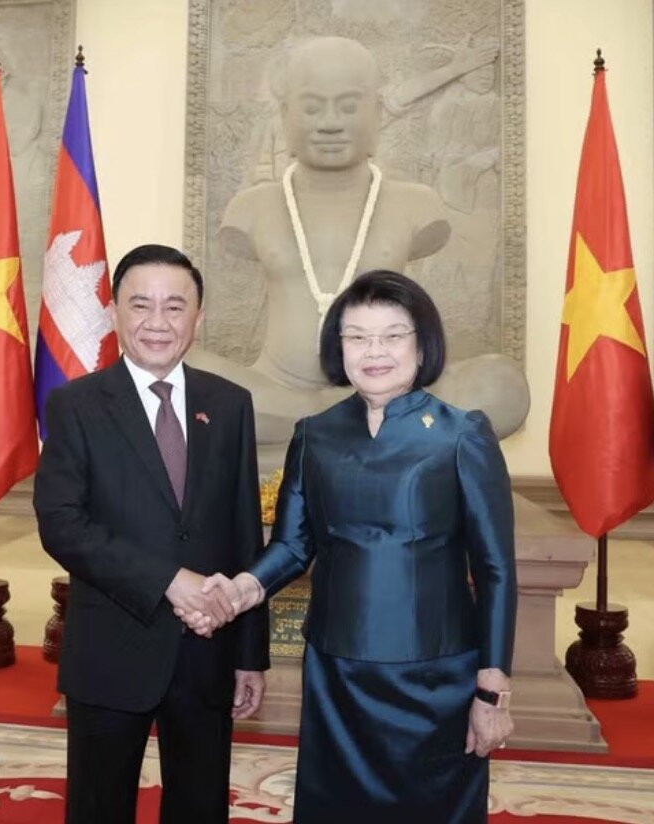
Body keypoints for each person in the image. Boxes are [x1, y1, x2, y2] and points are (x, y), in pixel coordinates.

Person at [184, 270, 517, 823]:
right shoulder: (315, 433)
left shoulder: (463, 434)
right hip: (338, 672)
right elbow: (293, 545)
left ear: (421, 343)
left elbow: (495, 568)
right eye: (357, 336)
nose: (374, 351)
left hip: (433, 677)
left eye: (392, 335)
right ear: (338, 348)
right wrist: (242, 588)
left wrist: (491, 689)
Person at [188, 36, 530, 469]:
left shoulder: (416, 203)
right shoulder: (251, 207)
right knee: (185, 375)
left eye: (349, 107)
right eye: (312, 108)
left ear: (376, 115)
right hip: (277, 388)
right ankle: (351, 423)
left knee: (503, 385)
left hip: (394, 390)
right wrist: (312, 402)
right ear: (285, 117)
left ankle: (331, 425)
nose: (330, 123)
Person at [33, 244, 269, 823]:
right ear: (114, 312)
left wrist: (250, 654)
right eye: (140, 305)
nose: (157, 324)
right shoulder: (75, 405)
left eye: (174, 306)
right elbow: (62, 524)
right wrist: (167, 581)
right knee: (99, 805)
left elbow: (245, 534)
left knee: (199, 805)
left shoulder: (230, 404)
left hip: (208, 653)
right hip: (113, 649)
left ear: (198, 317)